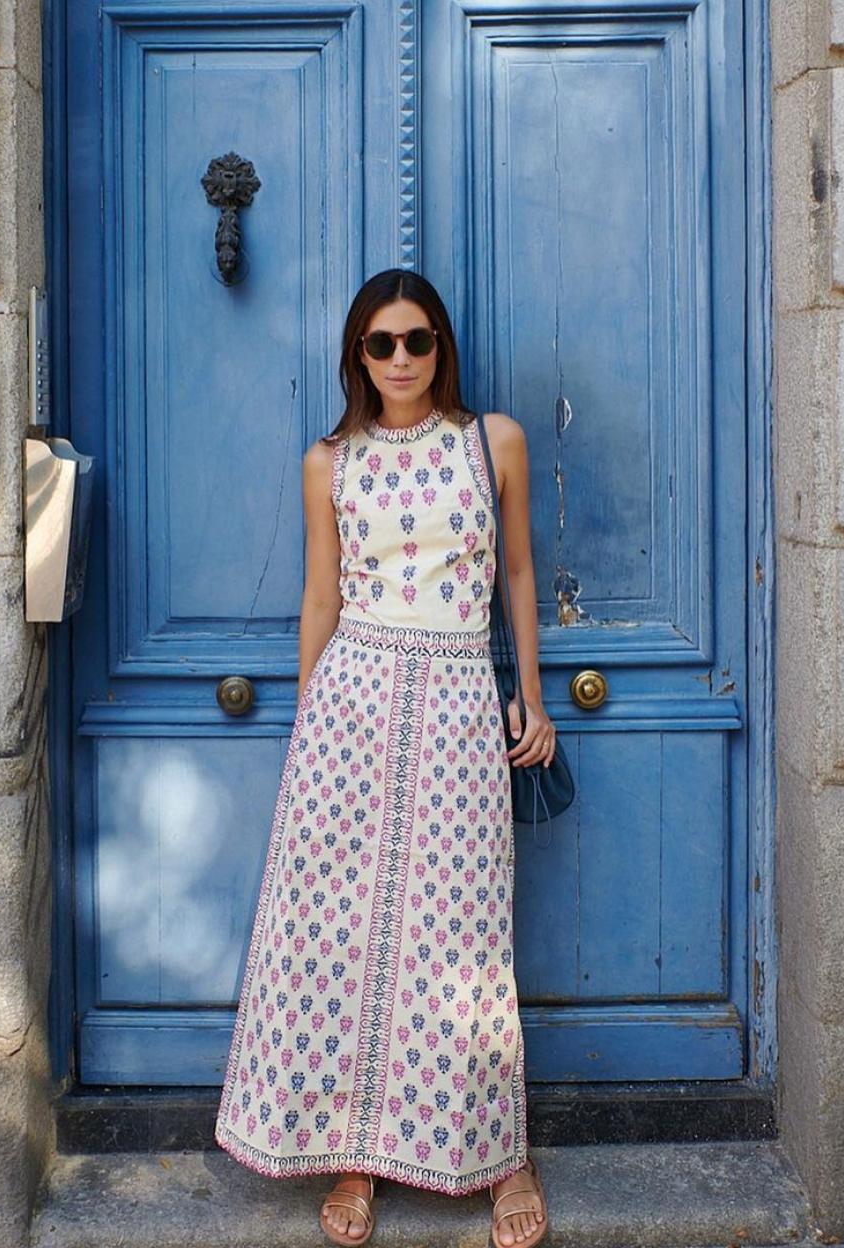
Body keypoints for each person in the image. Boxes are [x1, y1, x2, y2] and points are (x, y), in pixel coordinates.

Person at [214, 268, 553, 1247]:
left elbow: (519, 573)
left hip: (455, 700)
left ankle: (500, 1156)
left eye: (417, 340)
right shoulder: (330, 461)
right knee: (342, 937)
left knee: (464, 936)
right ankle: (354, 1158)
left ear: (441, 345)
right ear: (356, 356)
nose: (401, 359)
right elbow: (320, 598)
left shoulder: (495, 441)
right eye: (381, 344)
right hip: (351, 709)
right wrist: (307, 726)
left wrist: (528, 692)